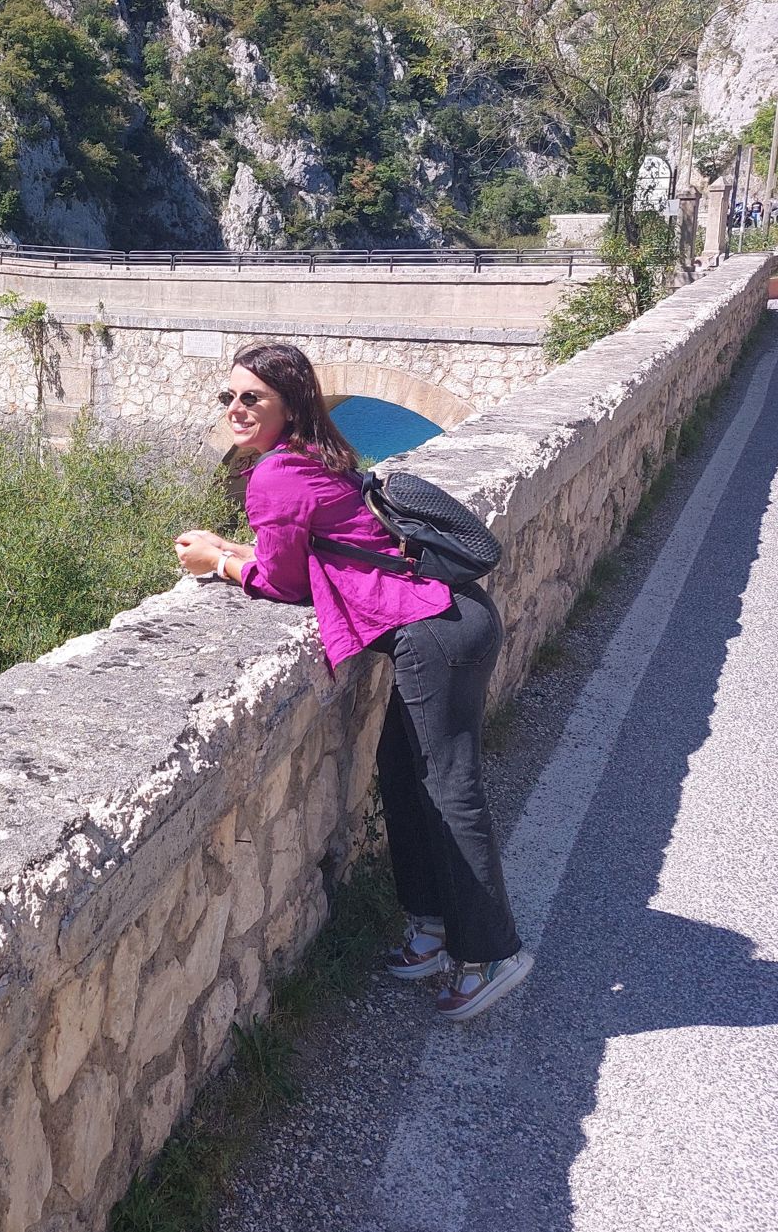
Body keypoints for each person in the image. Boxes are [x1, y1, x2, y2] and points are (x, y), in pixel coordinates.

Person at [173, 342, 532, 1022]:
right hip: (449, 617)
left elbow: (283, 582)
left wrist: (214, 564)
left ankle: (492, 953)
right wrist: (234, 549)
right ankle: (431, 926)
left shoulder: (275, 474)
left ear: (289, 405)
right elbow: (316, 550)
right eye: (229, 397)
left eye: (252, 397)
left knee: (448, 789)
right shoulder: (314, 455)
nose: (236, 409)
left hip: (434, 634)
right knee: (403, 773)